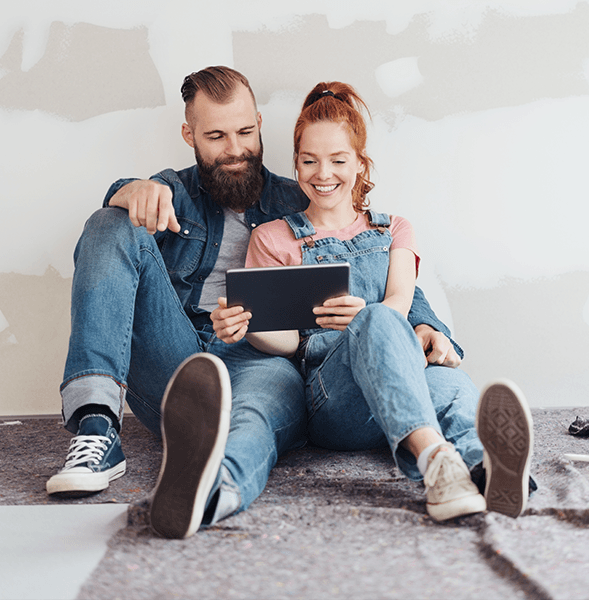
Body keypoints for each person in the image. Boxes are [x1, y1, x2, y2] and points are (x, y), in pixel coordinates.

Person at [46, 66, 466, 539]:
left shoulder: (302, 197)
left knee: (254, 419)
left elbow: (379, 260)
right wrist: (128, 189)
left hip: (262, 357)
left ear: (261, 124)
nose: (235, 149)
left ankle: (210, 492)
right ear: (189, 135)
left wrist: (431, 327)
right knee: (110, 222)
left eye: (245, 131)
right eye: (216, 136)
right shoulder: (173, 193)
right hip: (178, 360)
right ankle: (96, 428)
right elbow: (126, 209)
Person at [217, 81, 535, 521]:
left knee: (451, 384)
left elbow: (401, 303)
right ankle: (436, 466)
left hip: (400, 378)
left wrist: (398, 328)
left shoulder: (394, 230)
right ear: (295, 164)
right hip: (333, 399)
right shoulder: (272, 238)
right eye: (309, 161)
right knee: (376, 319)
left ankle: (487, 469)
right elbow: (289, 343)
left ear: (361, 165)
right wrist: (249, 324)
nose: (322, 174)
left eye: (337, 160)